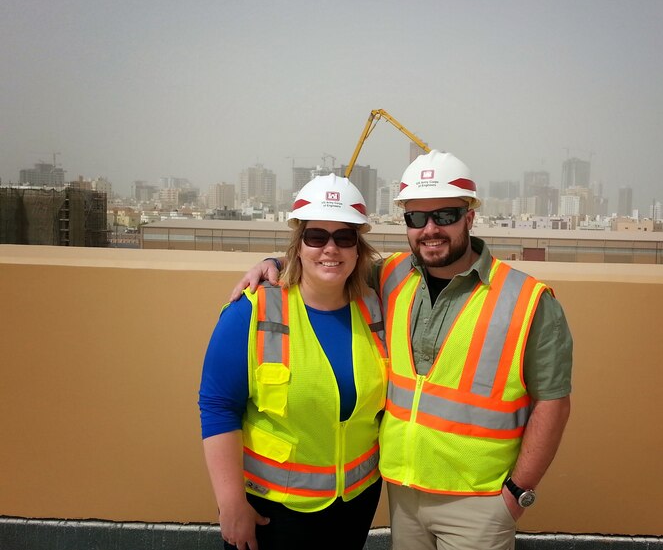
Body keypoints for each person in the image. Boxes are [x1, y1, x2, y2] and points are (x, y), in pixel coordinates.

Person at [231, 150, 573, 550]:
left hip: (480, 503)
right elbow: (329, 260)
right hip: (403, 496)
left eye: (444, 216)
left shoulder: (528, 300)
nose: (430, 229)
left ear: (469, 217)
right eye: (416, 218)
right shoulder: (391, 276)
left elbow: (553, 403)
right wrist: (272, 262)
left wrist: (518, 493)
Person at [199, 174, 388, 550]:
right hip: (273, 508)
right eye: (316, 237)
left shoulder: (377, 306)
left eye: (344, 237)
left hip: (355, 502)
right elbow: (218, 406)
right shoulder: (252, 311)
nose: (330, 249)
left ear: (358, 248)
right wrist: (231, 503)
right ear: (298, 245)